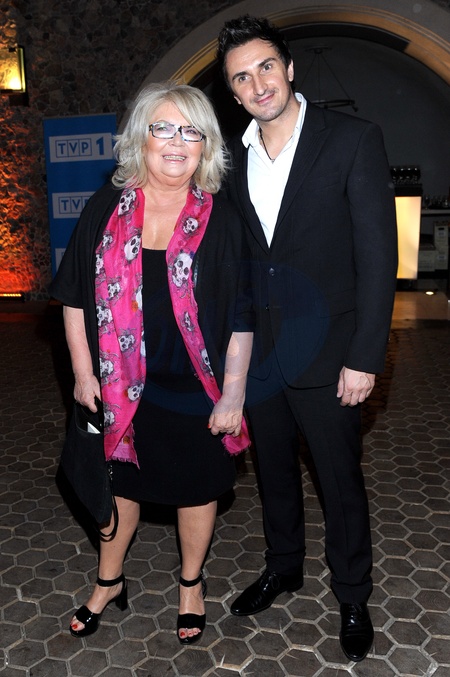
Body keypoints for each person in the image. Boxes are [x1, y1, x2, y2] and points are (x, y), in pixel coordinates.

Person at [216, 15, 398, 662]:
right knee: (272, 472)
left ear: (290, 69)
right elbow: (242, 259)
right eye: (242, 76)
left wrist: (364, 357)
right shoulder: (230, 158)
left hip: (331, 352)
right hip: (262, 353)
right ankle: (283, 565)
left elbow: (378, 258)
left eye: (266, 66)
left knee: (338, 480)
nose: (257, 83)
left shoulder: (351, 139)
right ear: (233, 92)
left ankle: (352, 592)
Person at [49, 81, 254, 645]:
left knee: (196, 489)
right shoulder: (104, 209)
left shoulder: (223, 220)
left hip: (194, 390)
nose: (176, 142)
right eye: (163, 128)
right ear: (141, 138)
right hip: (120, 389)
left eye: (191, 131)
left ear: (206, 146)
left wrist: (233, 392)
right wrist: (83, 375)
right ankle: (108, 580)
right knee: (119, 488)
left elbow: (242, 316)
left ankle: (191, 585)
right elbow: (72, 298)